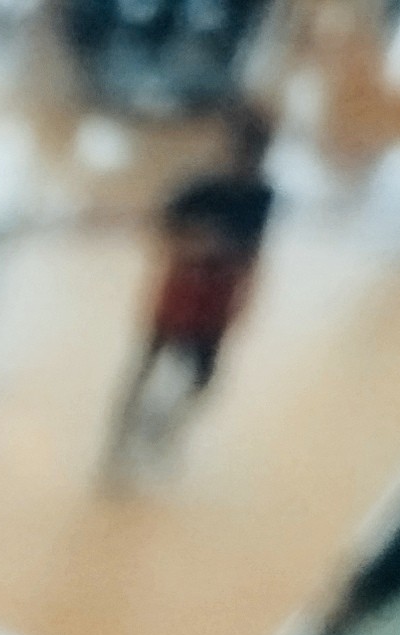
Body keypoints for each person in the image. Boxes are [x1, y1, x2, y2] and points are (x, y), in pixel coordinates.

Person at [110, 104, 278, 466]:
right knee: (145, 368)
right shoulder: (198, 188)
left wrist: (244, 298)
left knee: (202, 379)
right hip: (181, 295)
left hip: (215, 303)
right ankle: (119, 442)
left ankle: (155, 427)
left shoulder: (261, 197)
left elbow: (252, 254)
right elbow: (160, 228)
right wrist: (195, 245)